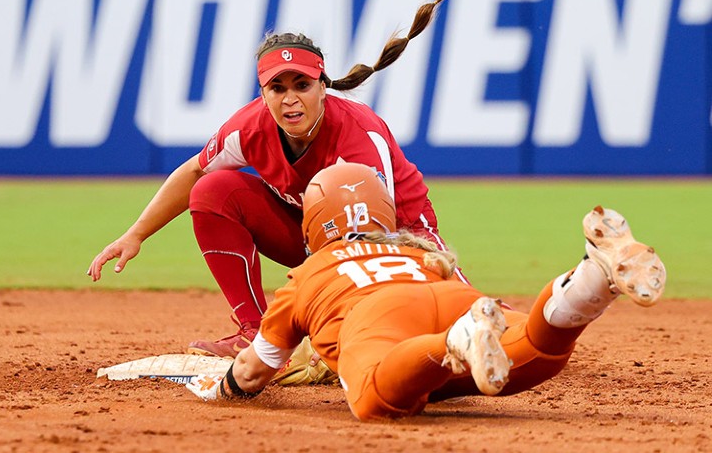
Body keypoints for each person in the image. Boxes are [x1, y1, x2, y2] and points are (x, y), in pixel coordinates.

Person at [87, 0, 467, 358]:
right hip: (317, 237)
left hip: (399, 242)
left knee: (462, 320)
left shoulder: (359, 139)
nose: (290, 99)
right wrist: (135, 235)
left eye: (301, 84)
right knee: (213, 191)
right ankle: (254, 332)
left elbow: (373, 240)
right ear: (263, 93)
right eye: (277, 88)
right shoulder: (249, 129)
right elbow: (194, 174)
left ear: (323, 86)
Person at [186, 162, 667, 421]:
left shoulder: (309, 275)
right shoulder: (421, 252)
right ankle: (590, 282)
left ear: (313, 223)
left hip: (382, 319)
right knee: (537, 348)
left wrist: (220, 388)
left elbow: (252, 373)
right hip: (452, 296)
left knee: (374, 400)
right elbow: (472, 299)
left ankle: (454, 342)